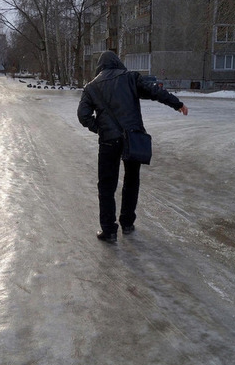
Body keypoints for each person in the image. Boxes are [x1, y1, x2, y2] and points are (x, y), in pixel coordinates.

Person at [77, 50, 188, 243]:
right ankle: (127, 223)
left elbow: (83, 116)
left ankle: (109, 230)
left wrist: (101, 130)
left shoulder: (91, 87)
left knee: (106, 185)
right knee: (131, 181)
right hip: (133, 138)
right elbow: (155, 91)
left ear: (100, 67)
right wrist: (176, 104)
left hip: (108, 142)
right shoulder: (130, 78)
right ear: (118, 63)